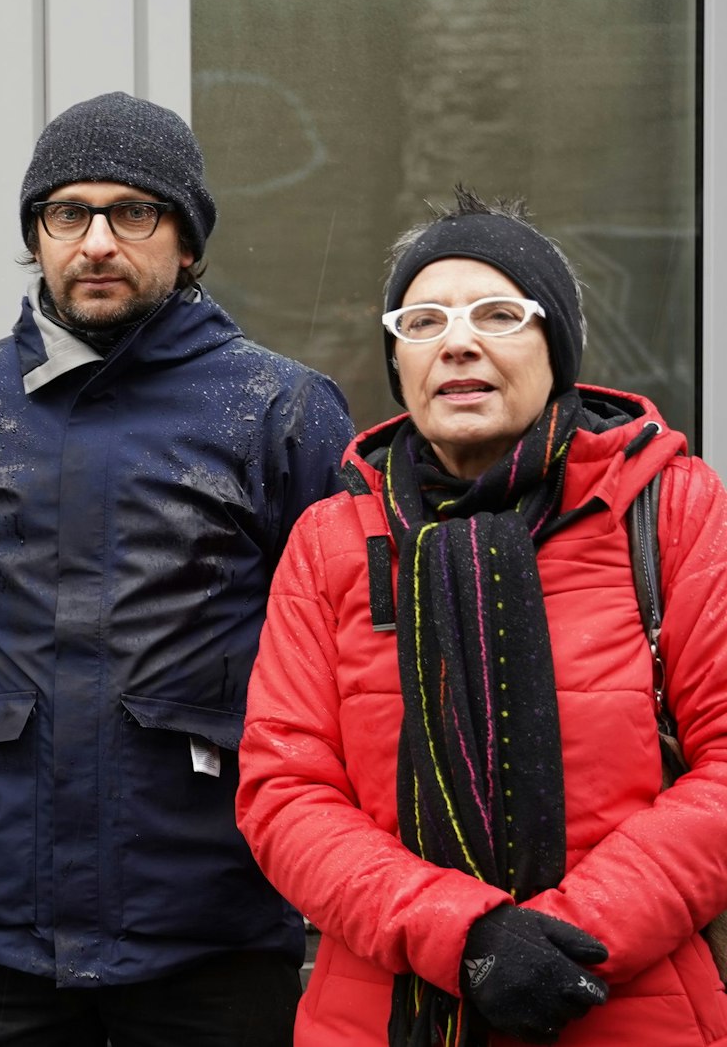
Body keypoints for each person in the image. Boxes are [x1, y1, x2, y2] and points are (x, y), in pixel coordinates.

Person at [0, 91, 354, 1045]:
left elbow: (333, 662)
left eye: (132, 211)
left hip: (207, 925)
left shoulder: (282, 411)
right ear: (37, 237)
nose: (97, 241)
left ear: (186, 241)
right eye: (67, 214)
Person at [236, 189, 727, 1044]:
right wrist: (469, 939)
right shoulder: (333, 540)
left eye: (499, 313)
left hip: (625, 1009)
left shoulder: (669, 510)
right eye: (422, 320)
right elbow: (285, 789)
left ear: (556, 346)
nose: (458, 341)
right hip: (382, 1013)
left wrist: (571, 939)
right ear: (401, 361)